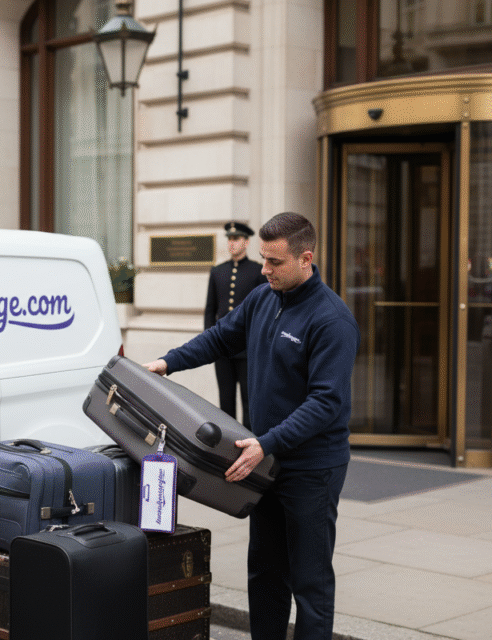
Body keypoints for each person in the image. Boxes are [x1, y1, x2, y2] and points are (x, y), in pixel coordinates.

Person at [144, 212, 360, 640]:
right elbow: (220, 337)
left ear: (306, 258)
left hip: (311, 469)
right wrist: (167, 363)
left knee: (310, 582)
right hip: (263, 463)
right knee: (264, 572)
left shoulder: (332, 320)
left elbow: (325, 403)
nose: (264, 270)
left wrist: (267, 442)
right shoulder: (263, 299)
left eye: (275, 262)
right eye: (263, 259)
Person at [204, 221, 267, 427]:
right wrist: (209, 341)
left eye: (236, 239)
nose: (232, 243)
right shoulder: (218, 271)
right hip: (222, 347)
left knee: (249, 398)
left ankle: (249, 439)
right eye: (229, 239)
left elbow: (263, 310)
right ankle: (228, 441)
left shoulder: (257, 272)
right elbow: (210, 310)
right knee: (226, 398)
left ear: (246, 242)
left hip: (247, 347)